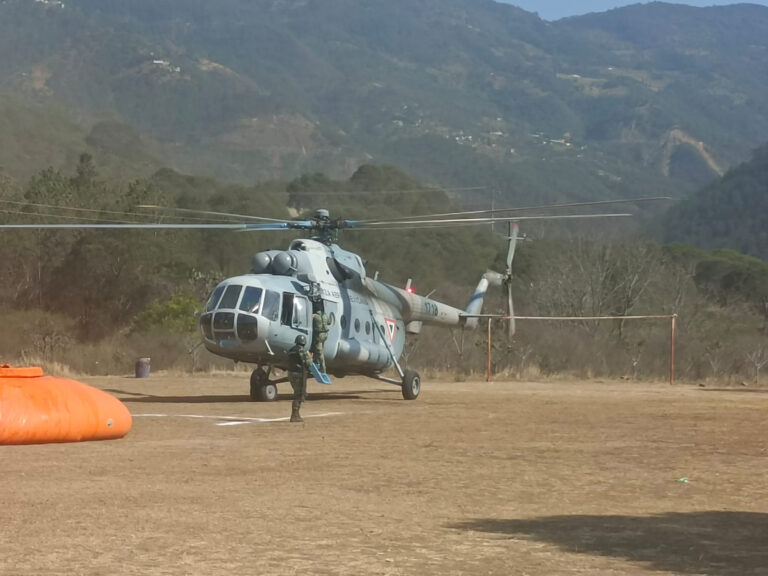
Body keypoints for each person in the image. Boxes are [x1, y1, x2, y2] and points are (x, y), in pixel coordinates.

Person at [287, 334, 312, 423]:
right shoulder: (303, 351)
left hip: (290, 373)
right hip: (299, 374)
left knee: (296, 392)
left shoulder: (291, 350)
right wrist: (310, 357)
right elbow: (308, 363)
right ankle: (295, 415)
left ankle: (296, 414)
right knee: (299, 394)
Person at [311, 307, 330, 373]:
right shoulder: (325, 315)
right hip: (325, 335)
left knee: (320, 352)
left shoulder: (314, 316)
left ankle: (323, 368)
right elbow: (329, 322)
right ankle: (316, 361)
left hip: (319, 335)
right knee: (321, 349)